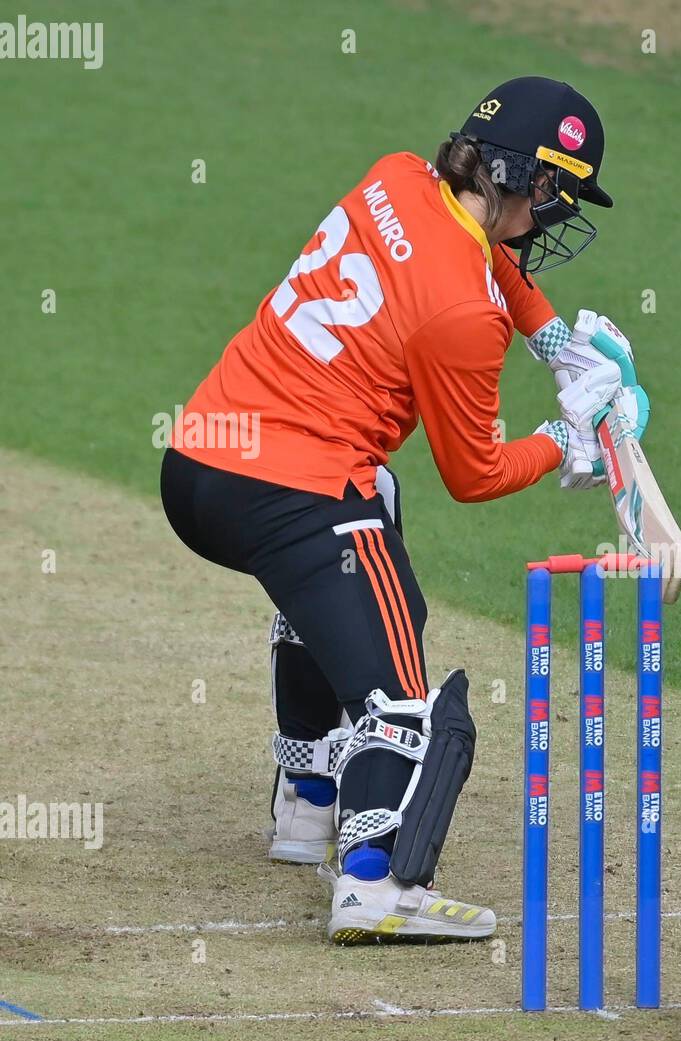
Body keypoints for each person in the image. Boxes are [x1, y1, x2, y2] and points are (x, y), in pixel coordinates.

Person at [161, 76, 643, 946]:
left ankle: (308, 802)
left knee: (354, 558)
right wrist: (564, 439)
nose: (554, 216)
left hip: (199, 466)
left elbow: (486, 261)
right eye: (554, 194)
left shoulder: (397, 178)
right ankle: (373, 885)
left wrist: (554, 341)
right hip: (294, 490)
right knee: (401, 702)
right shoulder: (461, 315)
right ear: (519, 177)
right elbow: (478, 473)